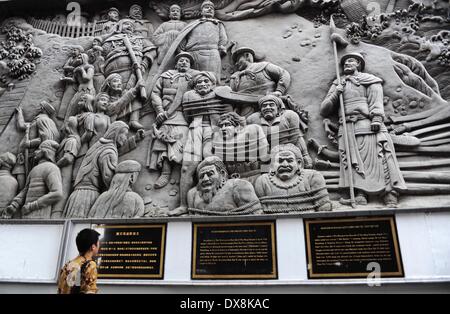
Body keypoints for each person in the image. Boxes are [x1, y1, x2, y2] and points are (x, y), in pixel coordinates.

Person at [320, 52, 406, 207]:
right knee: (354, 163)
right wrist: (336, 93)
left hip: (366, 124)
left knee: (378, 159)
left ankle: (389, 194)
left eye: (350, 61)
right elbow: (324, 110)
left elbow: (376, 101)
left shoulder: (371, 80)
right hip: (346, 127)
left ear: (358, 64)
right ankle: (360, 193)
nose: (346, 64)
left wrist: (377, 119)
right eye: (345, 62)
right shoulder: (338, 83)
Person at [147, 52, 198, 188]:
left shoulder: (196, 77)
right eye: (181, 60)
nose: (184, 62)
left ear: (190, 65)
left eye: (187, 61)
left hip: (185, 116)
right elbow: (155, 93)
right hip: (166, 116)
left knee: (183, 144)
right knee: (162, 143)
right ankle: (165, 173)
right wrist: (159, 111)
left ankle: (183, 175)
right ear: (176, 64)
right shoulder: (166, 76)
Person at [254, 144, 331, 212]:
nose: (285, 164)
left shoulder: (312, 177)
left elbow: (324, 207)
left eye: (290, 160)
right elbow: (258, 212)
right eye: (280, 161)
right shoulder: (263, 181)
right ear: (272, 165)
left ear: (299, 163)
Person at [247, 95, 312, 168]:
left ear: (278, 108)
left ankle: (305, 156)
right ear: (260, 110)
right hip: (265, 153)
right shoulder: (253, 119)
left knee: (299, 138)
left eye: (271, 105)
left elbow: (295, 136)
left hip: (289, 149)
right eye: (264, 106)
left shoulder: (289, 115)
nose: (267, 107)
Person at [187, 156, 262, 215]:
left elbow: (256, 214)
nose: (205, 179)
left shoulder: (238, 186)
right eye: (201, 176)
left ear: (222, 174)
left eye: (210, 174)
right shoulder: (193, 194)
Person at [230, 47, 291, 117]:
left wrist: (279, 91)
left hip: (268, 105)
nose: (236, 63)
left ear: (247, 55)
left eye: (238, 59)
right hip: (246, 109)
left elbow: (284, 74)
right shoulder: (237, 77)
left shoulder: (263, 66)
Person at [57, 228, 100, 294]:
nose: (99, 246)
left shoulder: (68, 265)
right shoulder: (90, 265)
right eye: (98, 243)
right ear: (93, 247)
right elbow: (90, 291)